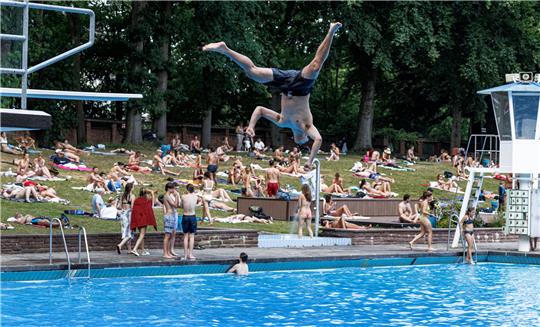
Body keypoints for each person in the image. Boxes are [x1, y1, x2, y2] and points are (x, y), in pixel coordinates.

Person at [203, 22, 342, 167]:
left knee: (252, 72)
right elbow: (318, 140)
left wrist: (251, 126)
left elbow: (260, 110)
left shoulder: (282, 121)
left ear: (295, 138)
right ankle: (331, 31)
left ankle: (224, 49)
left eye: (300, 140)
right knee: (316, 65)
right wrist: (309, 161)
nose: (302, 138)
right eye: (305, 139)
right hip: (301, 86)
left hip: (284, 85)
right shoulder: (306, 126)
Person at [130, 188, 157, 256]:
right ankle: (134, 249)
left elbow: (134, 210)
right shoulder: (147, 200)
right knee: (142, 235)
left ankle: (142, 251)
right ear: (146, 194)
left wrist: (150, 192)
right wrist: (152, 192)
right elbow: (154, 201)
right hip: (143, 220)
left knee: (141, 235)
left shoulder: (137, 200)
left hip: (138, 220)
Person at [181, 184, 200, 260]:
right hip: (192, 216)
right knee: (191, 236)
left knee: (185, 236)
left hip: (185, 216)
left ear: (187, 189)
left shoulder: (183, 196)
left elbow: (181, 205)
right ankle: (190, 254)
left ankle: (185, 255)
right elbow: (198, 203)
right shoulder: (196, 197)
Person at [163, 182, 181, 259]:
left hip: (171, 216)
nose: (174, 190)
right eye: (173, 188)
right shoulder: (167, 196)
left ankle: (168, 252)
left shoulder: (168, 196)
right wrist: (177, 195)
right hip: (169, 216)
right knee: (167, 236)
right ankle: (165, 253)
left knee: (170, 235)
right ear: (169, 188)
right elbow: (175, 205)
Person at [116, 182, 135, 254]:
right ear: (131, 188)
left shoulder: (123, 196)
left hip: (123, 214)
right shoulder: (132, 196)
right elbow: (132, 207)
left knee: (125, 231)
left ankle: (129, 250)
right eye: (133, 187)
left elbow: (119, 207)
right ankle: (120, 245)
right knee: (129, 233)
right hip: (129, 214)